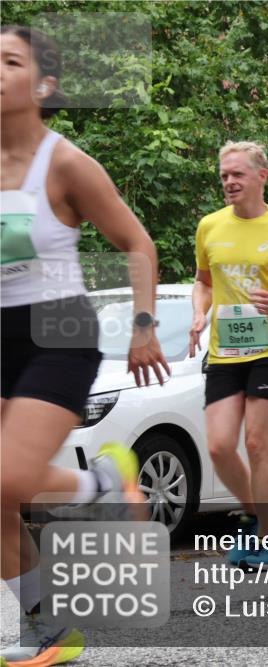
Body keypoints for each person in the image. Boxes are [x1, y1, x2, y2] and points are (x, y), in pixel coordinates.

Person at [1, 25, 170, 666]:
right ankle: (46, 631)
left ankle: (102, 480)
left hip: (58, 334)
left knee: (8, 476)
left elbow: (138, 245)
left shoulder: (65, 163)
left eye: (9, 61)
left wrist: (145, 326)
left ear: (43, 84)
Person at [188, 141, 268, 569]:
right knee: (219, 446)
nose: (229, 181)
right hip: (226, 348)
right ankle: (252, 514)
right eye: (224, 175)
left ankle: (264, 537)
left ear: (260, 176)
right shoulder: (210, 226)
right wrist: (197, 313)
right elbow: (203, 282)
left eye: (237, 174)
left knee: (257, 443)